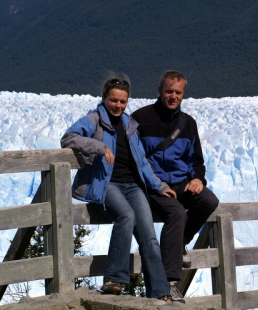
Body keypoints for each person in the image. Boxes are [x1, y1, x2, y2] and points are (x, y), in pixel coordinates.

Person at [60, 76, 180, 302]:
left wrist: (158, 186)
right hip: (107, 183)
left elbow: (142, 161)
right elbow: (68, 138)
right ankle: (114, 279)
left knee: (149, 236)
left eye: (122, 101)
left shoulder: (129, 124)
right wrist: (99, 146)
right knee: (126, 216)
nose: (118, 105)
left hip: (133, 186)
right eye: (113, 100)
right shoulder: (93, 120)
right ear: (104, 98)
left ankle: (160, 291)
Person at [132, 70, 219, 295]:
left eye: (178, 92)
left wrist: (198, 179)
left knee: (209, 201)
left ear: (183, 94)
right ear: (160, 91)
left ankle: (178, 244)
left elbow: (196, 160)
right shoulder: (141, 118)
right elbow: (135, 158)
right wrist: (155, 184)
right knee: (177, 213)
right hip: (154, 185)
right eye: (169, 91)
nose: (173, 96)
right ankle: (169, 283)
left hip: (181, 183)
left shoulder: (188, 123)